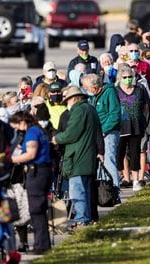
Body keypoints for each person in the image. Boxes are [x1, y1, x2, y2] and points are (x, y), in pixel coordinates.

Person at [52, 86, 101, 227]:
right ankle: (85, 218)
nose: (66, 103)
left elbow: (71, 133)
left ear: (73, 99)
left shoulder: (79, 110)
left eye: (67, 100)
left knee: (77, 191)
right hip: (87, 155)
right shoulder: (90, 109)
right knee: (85, 190)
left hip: (78, 157)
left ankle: (81, 220)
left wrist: (57, 138)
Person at [11, 111, 52, 254]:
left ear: (22, 122)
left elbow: (31, 154)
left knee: (36, 209)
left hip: (37, 172)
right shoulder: (37, 130)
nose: (16, 129)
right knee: (38, 209)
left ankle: (42, 245)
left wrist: (11, 160)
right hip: (42, 171)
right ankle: (42, 243)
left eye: (16, 126)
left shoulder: (32, 132)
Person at [82, 73, 121, 203]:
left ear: (95, 87)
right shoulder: (93, 96)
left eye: (87, 88)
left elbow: (114, 114)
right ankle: (102, 192)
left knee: (108, 160)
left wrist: (104, 131)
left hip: (108, 133)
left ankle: (114, 191)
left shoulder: (109, 92)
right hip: (97, 132)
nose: (86, 90)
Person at [115, 64, 150, 191]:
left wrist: (148, 125)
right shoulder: (115, 90)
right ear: (120, 78)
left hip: (137, 126)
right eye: (125, 77)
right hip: (120, 127)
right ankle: (120, 178)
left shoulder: (140, 89)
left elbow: (147, 107)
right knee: (119, 154)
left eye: (130, 76)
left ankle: (136, 179)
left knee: (135, 153)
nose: (128, 79)